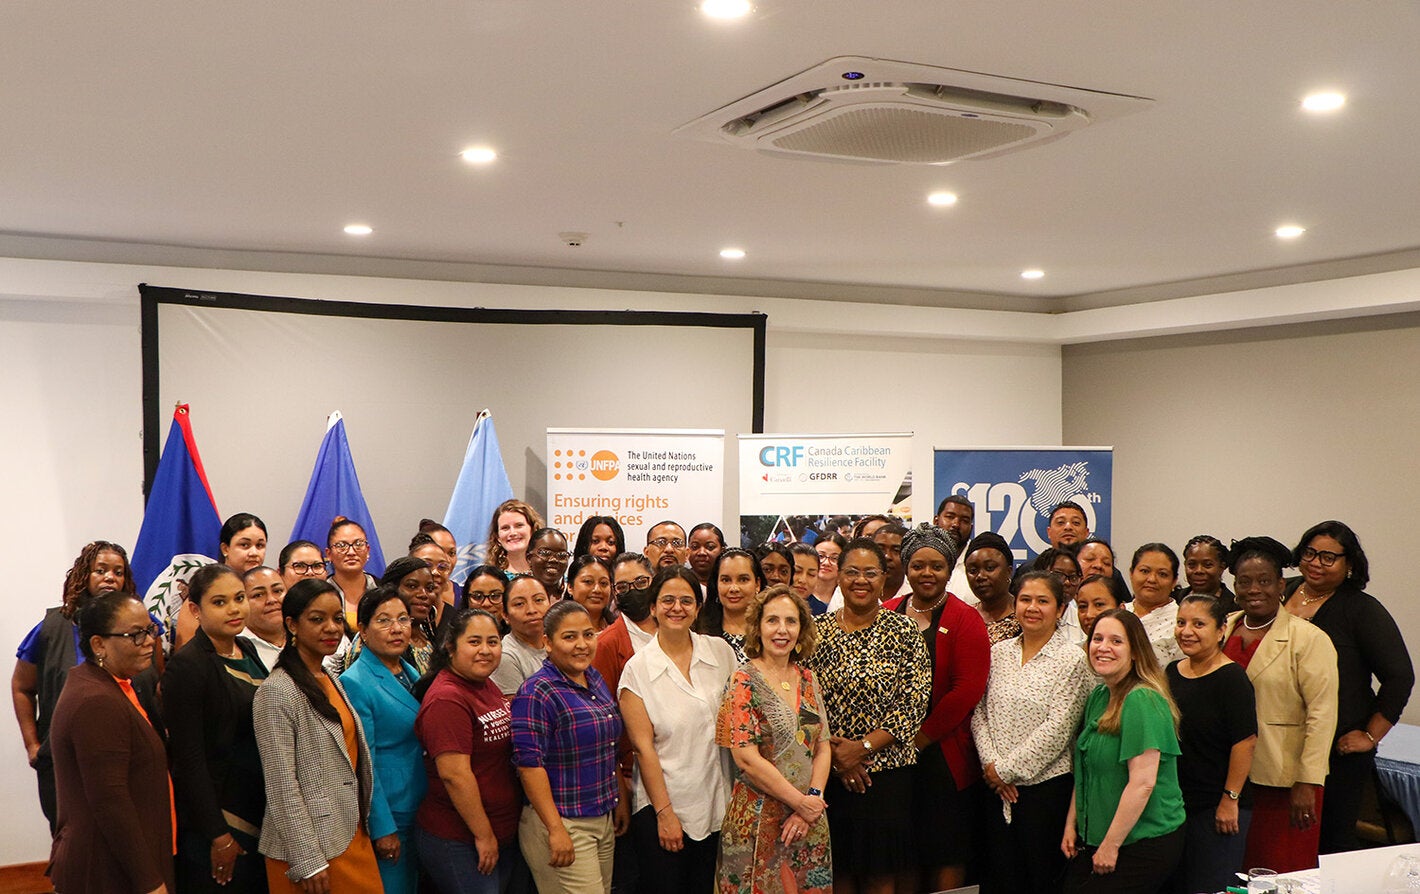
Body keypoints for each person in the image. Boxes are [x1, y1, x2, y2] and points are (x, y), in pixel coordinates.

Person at [1284, 520, 1414, 855]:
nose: (1315, 563)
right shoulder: (1282, 592)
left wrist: (1370, 736)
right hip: (1281, 742)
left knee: (1330, 841)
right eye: (1310, 553)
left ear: (1349, 564)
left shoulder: (1361, 609)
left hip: (1338, 749)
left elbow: (1400, 676)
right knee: (1282, 837)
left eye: (1329, 557)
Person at [809, 538, 930, 894]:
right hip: (829, 771)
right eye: (851, 572)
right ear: (838, 577)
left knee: (881, 874)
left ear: (883, 579)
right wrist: (840, 759)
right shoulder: (816, 631)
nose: (860, 580)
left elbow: (913, 703)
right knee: (839, 871)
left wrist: (861, 748)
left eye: (870, 573)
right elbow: (806, 704)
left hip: (888, 775)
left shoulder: (905, 630)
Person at [253, 579, 381, 893]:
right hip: (311, 848)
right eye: (317, 619)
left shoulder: (329, 677)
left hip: (349, 830)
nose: (331, 628)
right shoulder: (277, 691)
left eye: (338, 619)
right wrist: (308, 859)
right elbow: (283, 785)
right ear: (292, 624)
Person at [1221, 536, 1338, 874]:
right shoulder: (1223, 627)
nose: (1254, 589)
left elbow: (1323, 715)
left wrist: (1308, 781)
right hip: (1228, 779)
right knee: (1233, 870)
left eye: (1264, 581)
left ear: (1281, 585)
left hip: (1284, 783)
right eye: (1245, 582)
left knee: (1278, 871)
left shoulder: (1309, 639)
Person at [971, 571, 1093, 894]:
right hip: (995, 789)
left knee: (1038, 880)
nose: (1032, 608)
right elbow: (979, 712)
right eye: (1025, 599)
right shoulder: (998, 653)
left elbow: (1060, 728)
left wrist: (1006, 771)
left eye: (1043, 601)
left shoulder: (1072, 659)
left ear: (1060, 608)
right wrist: (992, 768)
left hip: (1045, 792)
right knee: (998, 878)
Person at [884, 525, 989, 892]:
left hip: (943, 753)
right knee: (905, 850)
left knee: (946, 849)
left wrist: (919, 738)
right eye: (917, 565)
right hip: (891, 754)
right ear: (905, 566)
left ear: (949, 569)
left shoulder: (965, 619)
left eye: (937, 566)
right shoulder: (887, 611)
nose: (926, 574)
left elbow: (966, 690)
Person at [619, 566, 737, 893]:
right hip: (665, 808)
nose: (677, 608)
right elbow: (644, 750)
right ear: (653, 607)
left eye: (687, 601)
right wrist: (665, 814)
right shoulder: (638, 670)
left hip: (718, 803)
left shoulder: (721, 653)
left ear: (698, 609)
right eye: (667, 600)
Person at [47, 592, 175, 894]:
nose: (149, 641)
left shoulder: (115, 686)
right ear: (98, 644)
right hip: (107, 867)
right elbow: (110, 802)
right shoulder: (96, 701)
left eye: (150, 630)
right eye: (135, 635)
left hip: (123, 860)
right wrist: (150, 882)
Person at [13, 540, 137, 834]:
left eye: (118, 572)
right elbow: (21, 687)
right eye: (101, 570)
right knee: (72, 842)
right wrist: (33, 745)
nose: (110, 577)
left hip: (128, 758)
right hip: (64, 761)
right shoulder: (51, 628)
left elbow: (156, 685)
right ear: (83, 575)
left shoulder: (144, 626)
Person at [716, 586, 833, 894]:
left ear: (802, 629)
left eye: (791, 622)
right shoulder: (743, 680)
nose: (782, 630)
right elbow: (746, 759)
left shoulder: (808, 678)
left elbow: (821, 746)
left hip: (808, 819)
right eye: (772, 621)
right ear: (758, 627)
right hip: (758, 820)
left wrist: (813, 800)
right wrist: (801, 804)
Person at [162, 564, 269, 893]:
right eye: (220, 602)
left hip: (259, 807)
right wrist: (218, 835)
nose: (235, 609)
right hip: (220, 818)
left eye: (239, 598)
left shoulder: (246, 648)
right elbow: (188, 760)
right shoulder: (188, 666)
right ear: (195, 609)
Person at [1062, 609, 1185, 891]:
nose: (1103, 647)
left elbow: (1142, 783)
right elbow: (1086, 771)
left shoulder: (1143, 699)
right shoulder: (1100, 696)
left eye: (1116, 641)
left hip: (1142, 841)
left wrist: (1110, 845)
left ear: (1135, 652)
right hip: (1098, 837)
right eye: (1097, 639)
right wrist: (1073, 825)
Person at [512, 600, 629, 894]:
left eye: (588, 635)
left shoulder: (593, 678)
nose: (582, 645)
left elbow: (608, 744)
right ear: (547, 643)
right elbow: (529, 767)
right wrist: (555, 829)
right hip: (564, 822)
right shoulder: (536, 692)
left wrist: (620, 799)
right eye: (569, 637)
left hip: (601, 816)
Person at [414, 609, 522, 894]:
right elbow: (455, 775)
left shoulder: (486, 684)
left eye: (493, 642)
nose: (485, 651)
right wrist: (483, 834)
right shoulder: (447, 699)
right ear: (451, 647)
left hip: (501, 831)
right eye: (474, 642)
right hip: (460, 838)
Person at [1166, 594, 1257, 894]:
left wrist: (1230, 799)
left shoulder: (1232, 679)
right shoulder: (1170, 673)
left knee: (1210, 887)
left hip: (1216, 807)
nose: (1186, 631)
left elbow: (1245, 742)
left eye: (1198, 624)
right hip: (1176, 805)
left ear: (1221, 631)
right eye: (1181, 622)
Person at [340, 586, 428, 894]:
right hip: (393, 811)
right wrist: (382, 827)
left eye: (403, 619)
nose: (397, 629)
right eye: (384, 620)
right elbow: (364, 761)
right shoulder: (355, 682)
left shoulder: (410, 670)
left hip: (425, 806)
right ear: (362, 630)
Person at [594, 553, 658, 697]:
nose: (633, 590)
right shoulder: (605, 644)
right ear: (614, 592)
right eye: (622, 587)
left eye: (641, 582)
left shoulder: (674, 627)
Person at [697, 548, 765, 663]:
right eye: (726, 580)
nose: (734, 588)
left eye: (743, 579)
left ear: (757, 584)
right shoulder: (698, 632)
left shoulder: (771, 631)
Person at [492, 575, 552, 698]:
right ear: (505, 615)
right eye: (519, 604)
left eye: (539, 600)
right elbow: (518, 712)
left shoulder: (557, 644)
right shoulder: (506, 656)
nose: (531, 610)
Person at [1126, 543, 1185, 666]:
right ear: (1131, 573)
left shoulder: (1181, 622)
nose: (1152, 579)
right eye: (1145, 571)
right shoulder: (1118, 613)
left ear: (1174, 581)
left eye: (1162, 574)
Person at [963, 532, 1022, 644]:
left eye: (990, 568)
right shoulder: (963, 617)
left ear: (1009, 571)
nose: (980, 576)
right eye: (973, 571)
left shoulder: (1026, 616)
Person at [327, 517, 377, 624]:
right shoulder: (320, 594)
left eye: (358, 544)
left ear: (368, 550)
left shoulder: (382, 589)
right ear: (329, 554)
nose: (351, 552)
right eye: (341, 546)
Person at [1172, 535, 1236, 612]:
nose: (1199, 571)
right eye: (1192, 565)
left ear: (1222, 567)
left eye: (1207, 565)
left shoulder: (1234, 607)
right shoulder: (1173, 601)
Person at [241, 566, 287, 671]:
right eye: (258, 595)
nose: (271, 600)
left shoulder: (304, 636)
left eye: (277, 591)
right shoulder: (236, 647)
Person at [487, 499, 545, 575]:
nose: (512, 533)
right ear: (497, 537)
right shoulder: (490, 578)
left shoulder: (550, 575)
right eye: (505, 528)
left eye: (519, 525)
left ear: (533, 529)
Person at [934, 495, 976, 601]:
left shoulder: (977, 564)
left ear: (971, 528)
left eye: (964, 520)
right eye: (950, 517)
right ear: (936, 521)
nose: (956, 524)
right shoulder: (919, 559)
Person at [412, 531, 459, 613]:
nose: (435, 572)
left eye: (442, 567)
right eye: (427, 565)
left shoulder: (457, 619)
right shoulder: (396, 611)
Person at [568, 555, 617, 632]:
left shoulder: (619, 627)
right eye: (588, 581)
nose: (597, 590)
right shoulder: (555, 625)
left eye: (603, 583)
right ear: (570, 587)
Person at [1076, 574, 1126, 642]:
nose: (1089, 614)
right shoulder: (1071, 651)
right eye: (1083, 606)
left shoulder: (1138, 651)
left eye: (1099, 604)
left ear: (1121, 609)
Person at [528, 528, 573, 602]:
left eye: (561, 554)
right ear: (529, 558)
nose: (553, 560)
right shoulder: (516, 593)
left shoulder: (574, 595)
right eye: (545, 553)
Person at [872, 522, 908, 600]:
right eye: (880, 549)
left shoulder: (916, 593)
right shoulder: (853, 589)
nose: (887, 556)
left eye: (896, 550)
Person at [788, 543, 826, 615]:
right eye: (797, 571)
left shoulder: (822, 612)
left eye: (811, 574)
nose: (803, 580)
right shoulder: (766, 604)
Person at [811, 533, 845, 612]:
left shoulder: (847, 597)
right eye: (821, 556)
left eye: (834, 558)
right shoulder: (801, 592)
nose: (826, 563)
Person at [687, 523, 726, 588]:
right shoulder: (680, 582)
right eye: (695, 547)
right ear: (687, 551)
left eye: (710, 547)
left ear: (722, 551)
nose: (701, 553)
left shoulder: (728, 583)